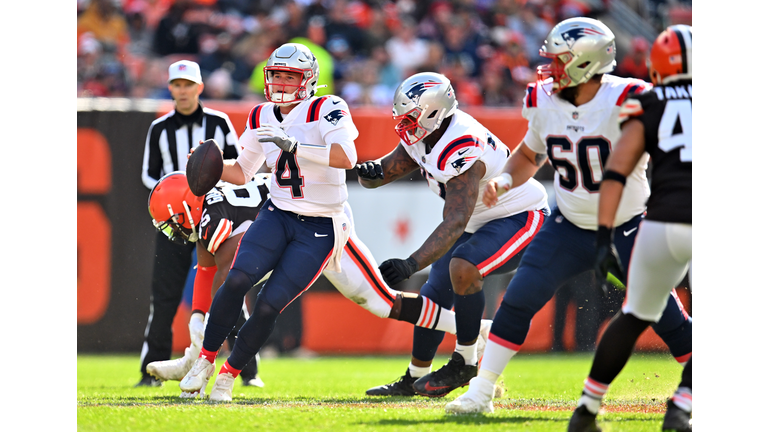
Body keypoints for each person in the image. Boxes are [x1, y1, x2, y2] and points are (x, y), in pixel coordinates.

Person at [444, 17, 692, 414]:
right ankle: (481, 392)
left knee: (664, 314)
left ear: (586, 62)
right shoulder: (543, 99)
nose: (550, 70)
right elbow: (530, 153)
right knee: (519, 298)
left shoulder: (629, 97)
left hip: (629, 225)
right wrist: (505, 181)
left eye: (559, 62)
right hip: (570, 224)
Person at [176, 42, 450, 402]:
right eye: (276, 76)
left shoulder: (327, 107)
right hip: (277, 213)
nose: (281, 84)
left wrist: (293, 146)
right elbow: (243, 171)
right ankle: (206, 361)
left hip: (320, 226)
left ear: (307, 80)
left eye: (290, 77)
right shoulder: (260, 115)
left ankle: (229, 376)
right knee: (236, 280)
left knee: (271, 303)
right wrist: (211, 169)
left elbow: (346, 157)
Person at [144, 171, 490, 396]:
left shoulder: (214, 219)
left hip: (318, 224)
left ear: (188, 205)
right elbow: (208, 273)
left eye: (172, 220)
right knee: (379, 302)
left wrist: (203, 340)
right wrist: (197, 321)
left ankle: (478, 330)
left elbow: (226, 279)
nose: (172, 230)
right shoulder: (210, 216)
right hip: (284, 233)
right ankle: (479, 330)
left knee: (381, 301)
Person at [357, 71, 550, 398]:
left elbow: (456, 220)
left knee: (463, 267)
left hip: (520, 216)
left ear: (433, 112)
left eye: (410, 117)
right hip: (481, 220)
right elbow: (385, 172)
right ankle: (414, 378)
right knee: (434, 295)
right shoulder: (424, 132)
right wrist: (370, 173)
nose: (404, 125)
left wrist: (411, 263)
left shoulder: (460, 142)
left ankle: (465, 361)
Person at [568, 25, 693, 432]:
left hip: (657, 225)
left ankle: (586, 410)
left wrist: (604, 237)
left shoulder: (649, 100)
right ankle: (683, 404)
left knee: (634, 315)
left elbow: (616, 171)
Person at [137, 59, 240, 387]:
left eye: (187, 84)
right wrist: (177, 193)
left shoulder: (219, 122)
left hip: (213, 217)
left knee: (231, 286)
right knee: (163, 296)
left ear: (199, 87)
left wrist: (208, 193)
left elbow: (239, 166)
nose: (182, 91)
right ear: (170, 88)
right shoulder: (160, 128)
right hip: (176, 222)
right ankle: (149, 370)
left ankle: (247, 369)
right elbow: (148, 175)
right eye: (176, 85)